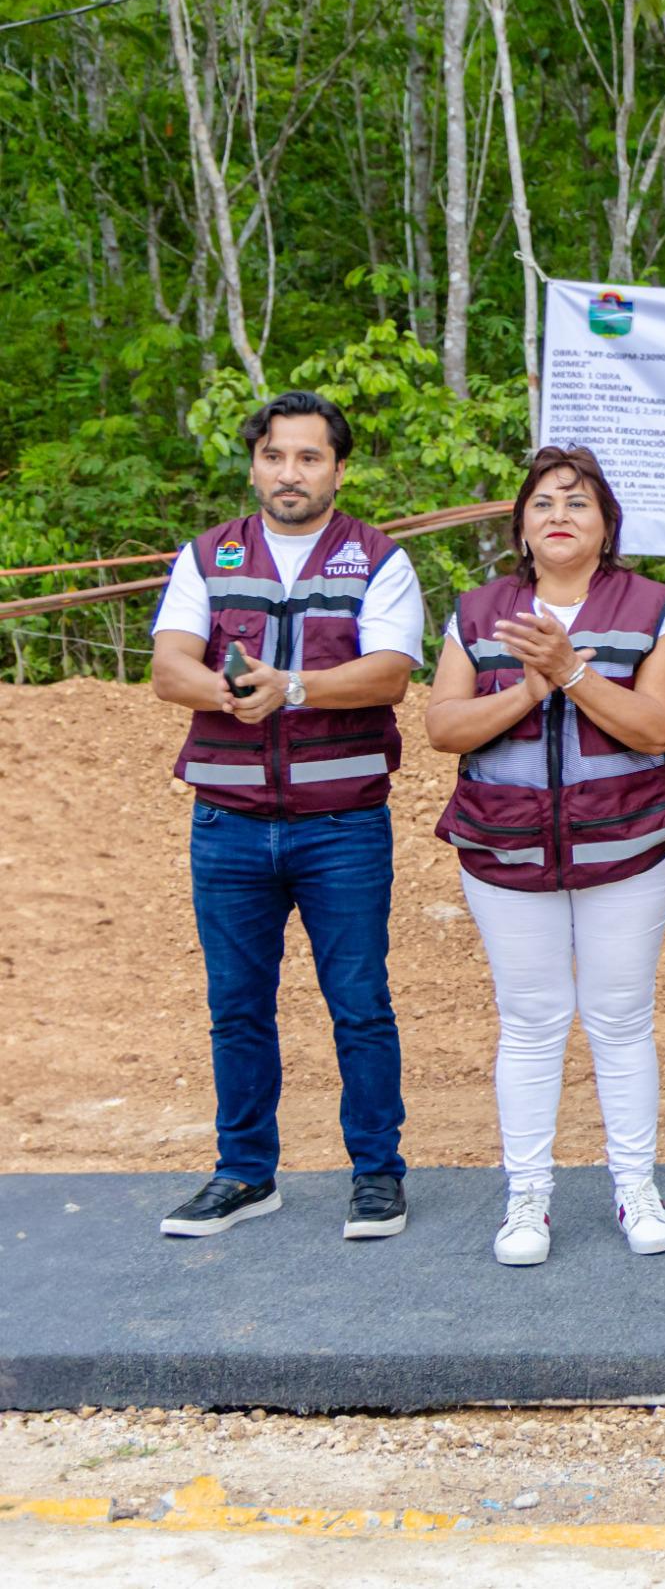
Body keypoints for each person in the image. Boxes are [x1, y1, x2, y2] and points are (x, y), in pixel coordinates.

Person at [148, 389, 425, 1240]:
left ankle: (377, 1174)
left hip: (342, 825)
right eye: (274, 456)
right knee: (236, 1006)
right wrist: (232, 695)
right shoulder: (208, 556)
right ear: (254, 466)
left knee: (359, 1004)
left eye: (309, 457)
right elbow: (168, 667)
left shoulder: (379, 560)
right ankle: (243, 1174)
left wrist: (292, 687)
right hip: (227, 823)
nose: (289, 473)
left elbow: (390, 672)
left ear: (339, 469)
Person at [425, 446, 665, 1267]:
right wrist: (526, 689)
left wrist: (571, 670)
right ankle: (528, 1200)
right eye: (543, 502)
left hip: (629, 849)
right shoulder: (478, 612)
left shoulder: (655, 608)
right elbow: (443, 727)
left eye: (578, 503)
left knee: (620, 1019)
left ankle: (636, 1189)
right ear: (521, 526)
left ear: (607, 524)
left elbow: (655, 727)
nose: (559, 516)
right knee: (531, 1021)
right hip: (504, 851)